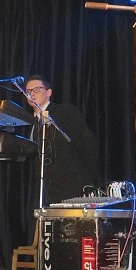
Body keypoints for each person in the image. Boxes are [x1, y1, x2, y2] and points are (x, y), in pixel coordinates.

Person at [25, 75, 98, 203]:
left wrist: (89, 180)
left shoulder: (65, 112)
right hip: (44, 191)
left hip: (72, 187)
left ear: (49, 92)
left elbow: (88, 145)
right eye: (28, 91)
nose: (32, 94)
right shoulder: (29, 122)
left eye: (37, 89)